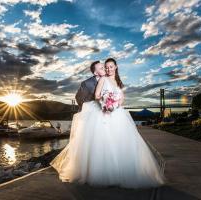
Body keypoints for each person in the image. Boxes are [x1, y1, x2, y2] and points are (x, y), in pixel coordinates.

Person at [50, 58, 166, 189]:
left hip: (117, 113)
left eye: (111, 67)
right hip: (103, 112)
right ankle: (104, 173)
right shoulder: (103, 80)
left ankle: (122, 171)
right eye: (106, 67)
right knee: (103, 142)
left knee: (121, 142)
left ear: (116, 67)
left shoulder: (118, 82)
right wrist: (106, 101)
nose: (108, 69)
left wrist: (115, 102)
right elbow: (97, 95)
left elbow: (121, 99)